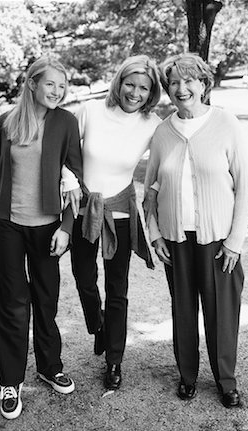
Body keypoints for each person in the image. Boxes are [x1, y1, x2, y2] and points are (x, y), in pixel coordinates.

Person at [143, 53, 248, 408]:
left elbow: (245, 186)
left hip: (219, 240)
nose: (181, 88)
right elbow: (150, 190)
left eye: (190, 80)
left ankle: (226, 380)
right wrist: (155, 234)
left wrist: (235, 241)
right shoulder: (163, 132)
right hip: (177, 240)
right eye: (174, 82)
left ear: (204, 85)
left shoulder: (226, 123)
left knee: (222, 312)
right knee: (183, 312)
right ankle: (187, 376)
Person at [0, 56, 83, 419]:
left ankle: (49, 366)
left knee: (46, 299)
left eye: (62, 86)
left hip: (49, 227)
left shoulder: (66, 122)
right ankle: (10, 380)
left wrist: (67, 227)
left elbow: (76, 177)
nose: (57, 92)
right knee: (11, 303)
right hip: (9, 225)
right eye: (51, 85)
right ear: (31, 84)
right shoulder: (6, 122)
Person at [70, 55, 162, 390]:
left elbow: (171, 160)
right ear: (119, 81)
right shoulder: (91, 111)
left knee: (117, 289)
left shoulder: (152, 125)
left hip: (121, 215)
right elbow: (66, 152)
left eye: (143, 88)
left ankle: (114, 361)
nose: (135, 93)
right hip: (84, 209)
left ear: (151, 93)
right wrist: (68, 182)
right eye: (130, 84)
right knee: (83, 279)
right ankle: (99, 327)